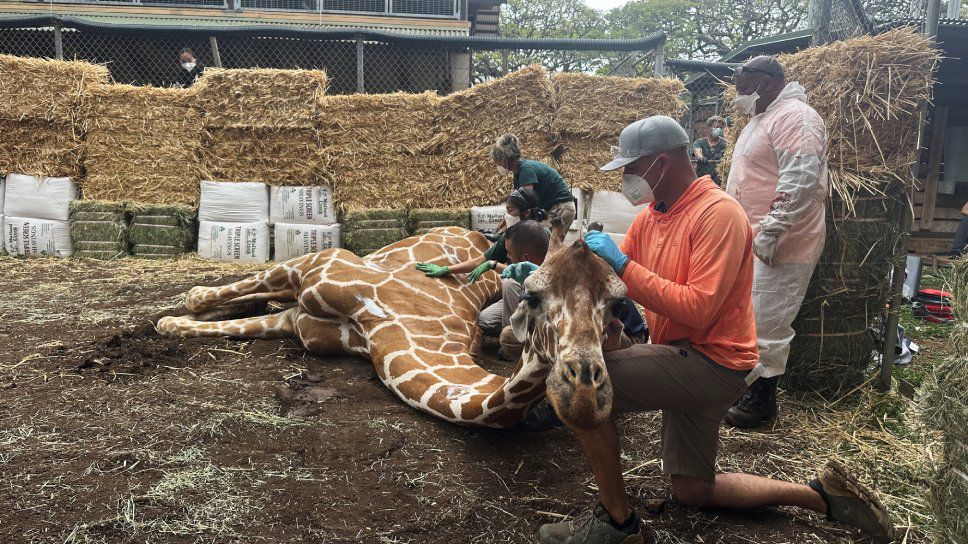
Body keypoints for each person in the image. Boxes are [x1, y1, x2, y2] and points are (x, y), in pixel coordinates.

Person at [535, 115, 894, 544]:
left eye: (632, 169)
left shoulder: (719, 214)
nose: (627, 180)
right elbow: (606, 276)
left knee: (580, 391)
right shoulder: (651, 218)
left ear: (661, 165)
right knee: (694, 490)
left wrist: (624, 265)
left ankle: (618, 524)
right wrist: (549, 269)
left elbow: (698, 308)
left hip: (712, 362)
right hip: (681, 358)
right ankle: (822, 497)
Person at [723, 56, 828, 429]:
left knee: (768, 318)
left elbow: (800, 178)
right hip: (752, 237)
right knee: (748, 314)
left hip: (784, 242)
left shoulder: (795, 117)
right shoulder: (760, 119)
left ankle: (761, 404)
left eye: (741, 76)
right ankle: (745, 387)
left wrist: (771, 230)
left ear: (765, 82)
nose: (735, 83)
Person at [491, 134, 576, 231]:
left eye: (497, 161)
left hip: (560, 207)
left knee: (544, 241)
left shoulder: (526, 170)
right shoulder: (518, 173)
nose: (497, 165)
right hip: (552, 207)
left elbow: (526, 203)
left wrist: (506, 229)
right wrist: (498, 228)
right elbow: (514, 203)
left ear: (504, 159)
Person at [691, 115, 728, 185]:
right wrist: (701, 157)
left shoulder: (725, 144)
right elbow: (697, 150)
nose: (719, 129)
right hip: (702, 180)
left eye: (721, 127)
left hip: (718, 181)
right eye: (716, 127)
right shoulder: (700, 142)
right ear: (708, 128)